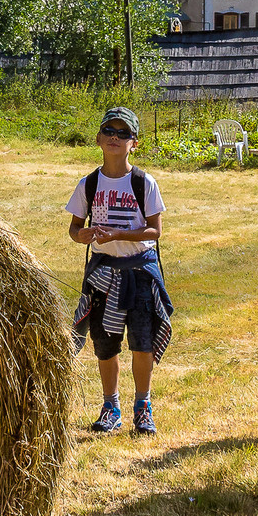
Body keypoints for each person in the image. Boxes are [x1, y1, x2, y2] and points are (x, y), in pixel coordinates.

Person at [66, 106, 171, 437]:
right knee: (105, 344)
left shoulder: (143, 182)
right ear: (98, 139)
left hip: (140, 273)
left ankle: (143, 406)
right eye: (109, 131)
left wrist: (118, 234)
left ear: (134, 143)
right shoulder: (89, 183)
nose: (115, 137)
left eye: (123, 133)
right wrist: (80, 235)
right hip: (103, 277)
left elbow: (155, 232)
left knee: (142, 344)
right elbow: (74, 228)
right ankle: (111, 406)